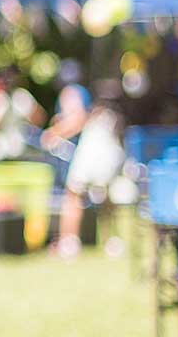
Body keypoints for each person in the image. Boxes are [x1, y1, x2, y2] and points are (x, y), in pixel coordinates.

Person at [51, 80, 125, 259]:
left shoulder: (95, 114)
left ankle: (69, 242)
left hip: (90, 159)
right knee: (107, 202)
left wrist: (53, 134)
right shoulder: (116, 118)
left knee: (73, 196)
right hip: (109, 161)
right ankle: (111, 241)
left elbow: (77, 120)